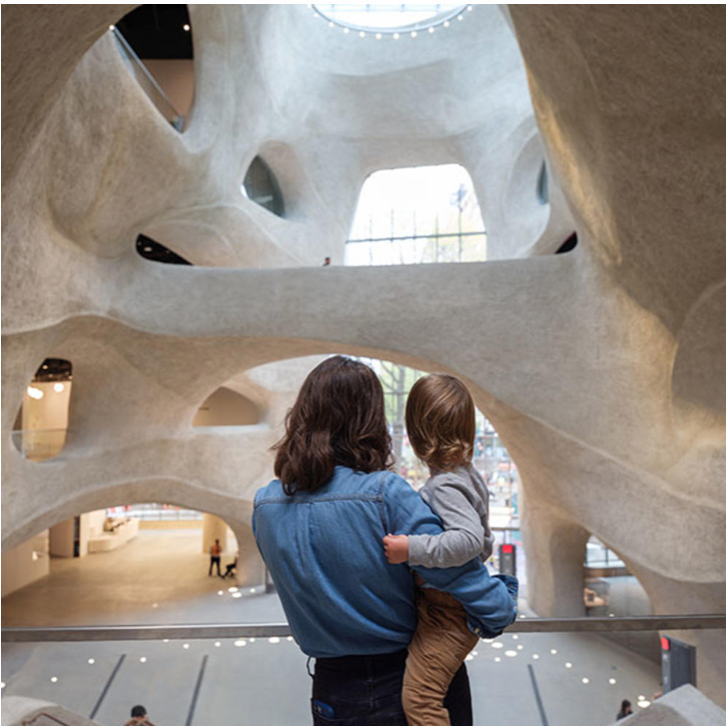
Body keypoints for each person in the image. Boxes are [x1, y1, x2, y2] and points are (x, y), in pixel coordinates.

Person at [253, 356, 517, 726]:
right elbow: (454, 573)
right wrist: (500, 607)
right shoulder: (383, 494)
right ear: (369, 420)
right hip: (404, 678)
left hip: (332, 688)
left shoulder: (266, 505)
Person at [383, 373, 495, 726]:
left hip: (447, 613)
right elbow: (487, 542)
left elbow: (470, 540)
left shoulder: (445, 485)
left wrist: (410, 549)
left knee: (420, 700)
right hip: (449, 609)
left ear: (417, 435)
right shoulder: (467, 475)